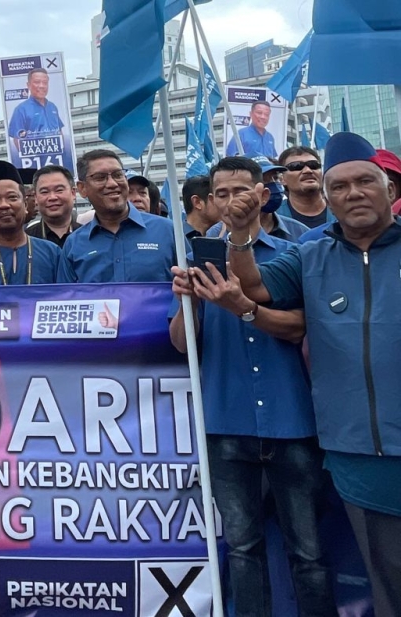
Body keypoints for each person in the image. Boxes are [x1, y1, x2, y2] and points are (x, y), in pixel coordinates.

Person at [225, 132, 401, 615]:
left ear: (389, 189)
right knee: (388, 582)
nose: (353, 193)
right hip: (357, 452)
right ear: (328, 197)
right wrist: (240, 236)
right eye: (339, 187)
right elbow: (253, 288)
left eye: (366, 181)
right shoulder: (310, 252)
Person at [169, 156, 336, 617]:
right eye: (220, 194)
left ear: (262, 194)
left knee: (308, 550)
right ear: (208, 201)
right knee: (242, 548)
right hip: (225, 420)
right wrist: (187, 303)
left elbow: (304, 327)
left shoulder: (298, 247)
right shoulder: (195, 252)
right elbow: (183, 345)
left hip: (292, 418)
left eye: (240, 191)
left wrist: (244, 308)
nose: (230, 202)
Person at [59, 149, 178, 283]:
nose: (112, 184)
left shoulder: (168, 231)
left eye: (117, 175)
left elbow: (194, 292)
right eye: (100, 177)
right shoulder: (73, 245)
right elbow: (67, 299)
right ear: (82, 188)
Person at [7, 68, 66, 167]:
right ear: (28, 85)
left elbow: (59, 131)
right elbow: (17, 139)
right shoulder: (21, 109)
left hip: (57, 161)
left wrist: (62, 150)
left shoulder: (52, 106)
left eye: (45, 82)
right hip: (35, 164)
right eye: (37, 82)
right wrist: (30, 161)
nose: (42, 86)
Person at [275, 146, 335, 229]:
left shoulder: (342, 210)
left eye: (313, 165)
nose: (308, 170)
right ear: (282, 179)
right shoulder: (273, 217)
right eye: (296, 166)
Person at [26, 164, 79, 248]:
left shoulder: (91, 236)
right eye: (44, 192)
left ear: (73, 193)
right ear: (35, 197)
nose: (52, 197)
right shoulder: (25, 241)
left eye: (59, 190)